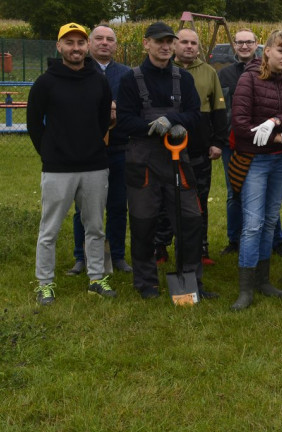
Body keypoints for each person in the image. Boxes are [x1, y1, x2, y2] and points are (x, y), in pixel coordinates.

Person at [116, 21, 208, 300]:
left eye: (170, 41)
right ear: (146, 44)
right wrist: (151, 128)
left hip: (179, 160)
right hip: (143, 161)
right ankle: (146, 283)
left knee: (191, 221)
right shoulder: (130, 79)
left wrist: (176, 121)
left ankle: (191, 281)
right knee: (144, 223)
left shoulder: (183, 78)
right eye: (159, 42)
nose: (166, 46)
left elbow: (195, 114)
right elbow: (124, 121)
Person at [28, 23, 115, 304]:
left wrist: (92, 145)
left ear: (87, 46)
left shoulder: (98, 80)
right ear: (59, 47)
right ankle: (44, 284)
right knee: (49, 229)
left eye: (80, 42)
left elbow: (104, 118)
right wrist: (50, 152)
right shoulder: (45, 82)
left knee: (95, 227)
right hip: (57, 168)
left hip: (94, 165)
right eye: (69, 43)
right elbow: (33, 123)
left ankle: (96, 279)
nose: (75, 48)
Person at [228, 30, 282, 310]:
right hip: (255, 160)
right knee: (252, 224)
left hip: (280, 161)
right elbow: (239, 124)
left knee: (271, 220)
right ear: (268, 51)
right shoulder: (248, 79)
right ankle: (246, 289)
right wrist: (278, 136)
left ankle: (263, 280)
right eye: (281, 51)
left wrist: (275, 120)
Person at [67, 24, 132, 276]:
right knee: (84, 207)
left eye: (110, 39)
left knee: (117, 205)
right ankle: (81, 257)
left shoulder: (127, 74)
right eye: (99, 39)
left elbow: (133, 109)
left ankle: (117, 255)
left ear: (116, 45)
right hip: (87, 151)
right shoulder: (78, 70)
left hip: (119, 148)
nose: (105, 43)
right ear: (89, 44)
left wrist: (118, 111)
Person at [218, 29, 282, 258]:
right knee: (234, 192)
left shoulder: (270, 71)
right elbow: (222, 110)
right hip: (233, 142)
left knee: (268, 197)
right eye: (240, 42)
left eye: (249, 42)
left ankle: (277, 241)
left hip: (265, 145)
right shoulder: (226, 74)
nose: (245, 46)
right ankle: (235, 239)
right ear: (234, 45)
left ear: (257, 45)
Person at [169, 28, 228, 268]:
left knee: (199, 199)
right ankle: (161, 246)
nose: (189, 47)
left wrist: (217, 142)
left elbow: (219, 111)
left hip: (199, 149)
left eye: (194, 43)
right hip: (168, 148)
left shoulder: (209, 72)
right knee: (166, 200)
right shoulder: (166, 71)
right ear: (174, 45)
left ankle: (201, 248)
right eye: (184, 42)